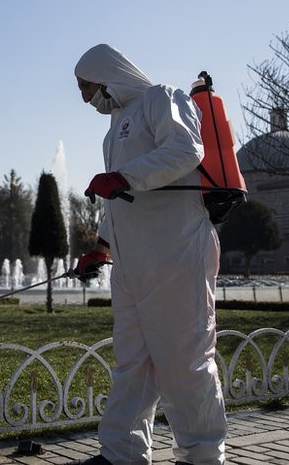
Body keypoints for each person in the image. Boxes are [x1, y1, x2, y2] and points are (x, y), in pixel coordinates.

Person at [71, 44, 227, 465]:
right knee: (132, 364)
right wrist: (102, 247)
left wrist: (125, 175)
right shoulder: (114, 128)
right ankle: (122, 454)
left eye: (89, 88)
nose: (87, 99)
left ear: (110, 75)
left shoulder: (162, 97)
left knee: (184, 361)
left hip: (176, 252)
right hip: (132, 263)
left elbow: (185, 151)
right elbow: (118, 198)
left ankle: (203, 456)